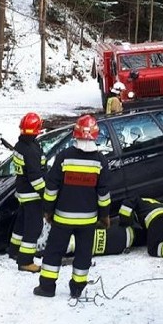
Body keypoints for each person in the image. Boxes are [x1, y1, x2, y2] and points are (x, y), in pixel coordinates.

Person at [35, 114, 112, 299]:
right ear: (95, 136)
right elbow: (103, 194)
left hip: (63, 217)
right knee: (84, 253)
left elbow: (51, 187)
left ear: (75, 134)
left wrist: (48, 210)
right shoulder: (100, 161)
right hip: (88, 220)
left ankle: (47, 287)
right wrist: (105, 216)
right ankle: (77, 288)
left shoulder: (64, 157)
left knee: (54, 251)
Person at [9, 112, 46, 272]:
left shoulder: (21, 145)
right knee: (34, 227)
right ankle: (25, 261)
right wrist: (46, 194)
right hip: (32, 194)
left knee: (21, 222)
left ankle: (14, 250)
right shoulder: (30, 150)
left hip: (22, 191)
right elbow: (35, 177)